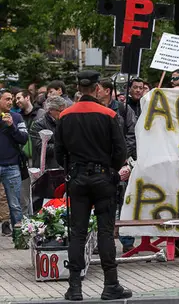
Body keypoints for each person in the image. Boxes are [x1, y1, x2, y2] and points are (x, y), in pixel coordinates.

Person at [55, 71, 131, 301]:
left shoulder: (65, 116)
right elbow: (121, 151)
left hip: (77, 179)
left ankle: (75, 287)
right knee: (105, 232)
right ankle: (110, 284)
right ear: (98, 88)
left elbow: (59, 153)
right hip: (103, 177)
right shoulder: (108, 114)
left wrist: (73, 167)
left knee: (77, 233)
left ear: (78, 88)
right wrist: (112, 169)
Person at [97, 78, 138, 253]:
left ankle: (127, 241)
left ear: (107, 90)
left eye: (98, 89)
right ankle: (102, 241)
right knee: (101, 203)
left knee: (124, 201)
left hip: (120, 164)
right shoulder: (95, 109)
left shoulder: (123, 109)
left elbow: (132, 133)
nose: (95, 91)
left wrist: (122, 155)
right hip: (99, 163)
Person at [0, 89, 28, 242]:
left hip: (11, 167)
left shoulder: (17, 117)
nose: (10, 102)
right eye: (7, 99)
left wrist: (12, 126)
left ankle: (20, 239)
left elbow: (24, 138)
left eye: (11, 99)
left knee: (15, 204)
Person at [29, 96, 67, 170]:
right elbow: (40, 147)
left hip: (62, 166)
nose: (63, 113)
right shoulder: (38, 124)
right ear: (50, 110)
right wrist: (62, 146)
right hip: (47, 167)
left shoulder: (65, 122)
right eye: (61, 111)